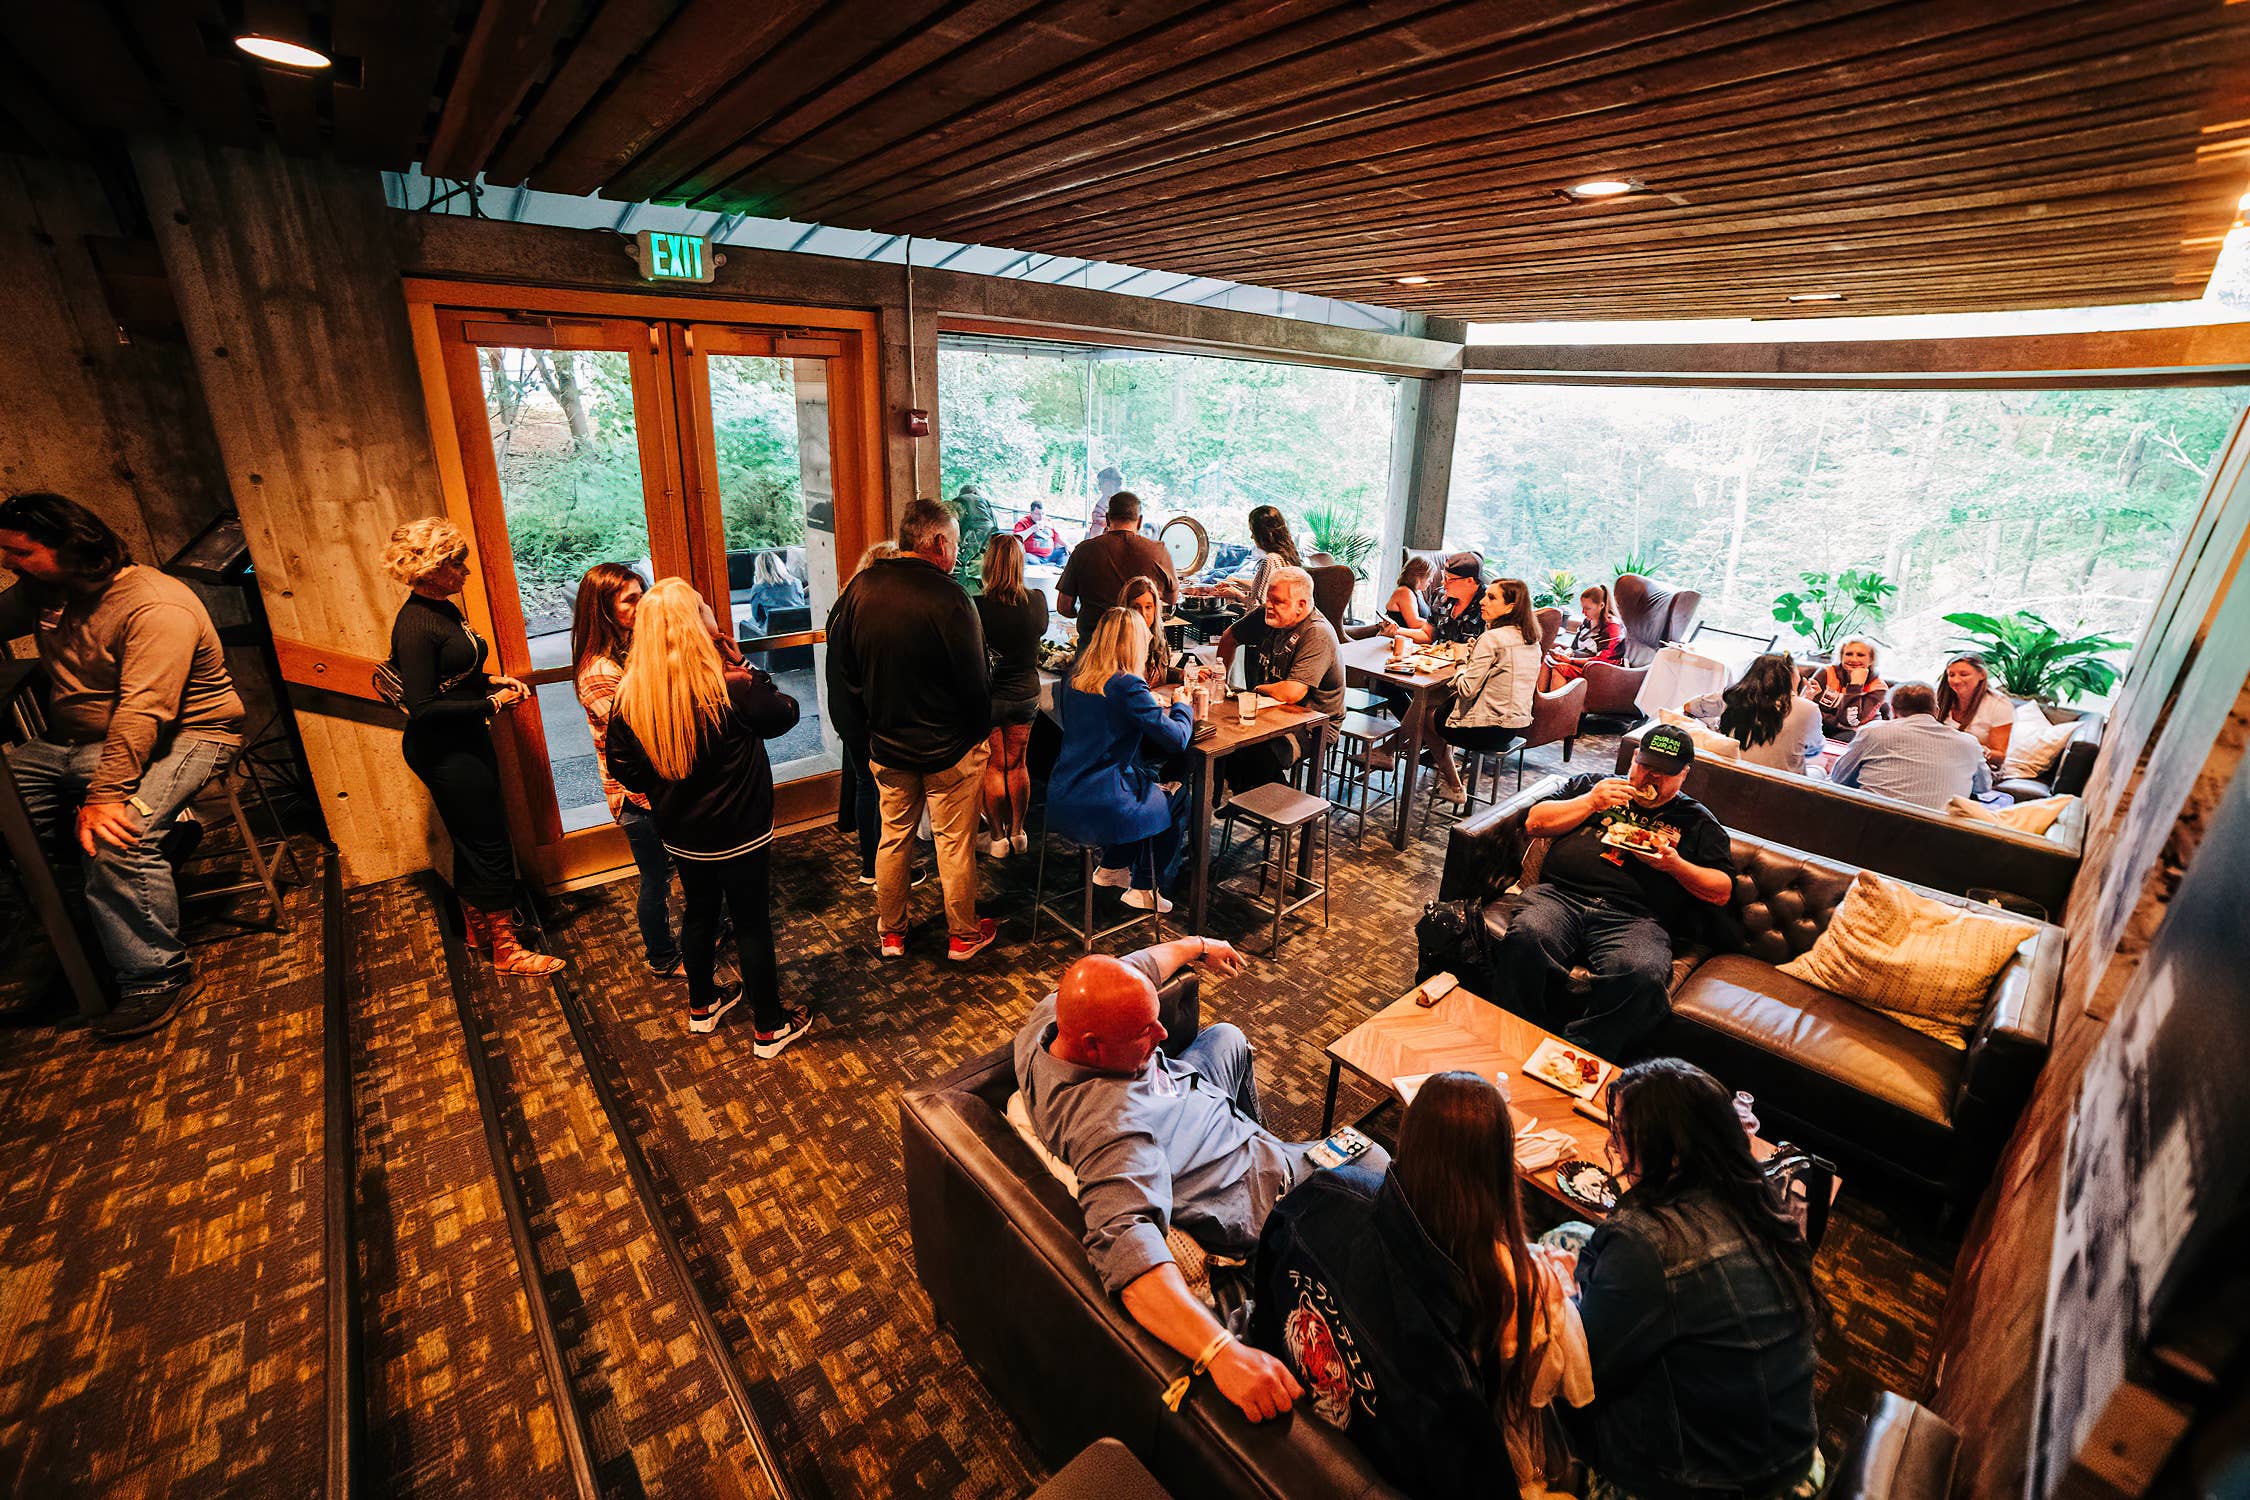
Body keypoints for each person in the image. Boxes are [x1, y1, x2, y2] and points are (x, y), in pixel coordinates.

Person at [1014, 938, 1384, 1424]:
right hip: (1264, 1189)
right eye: (1144, 1032)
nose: (1162, 1034)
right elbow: (1126, 1249)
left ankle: (1260, 1132)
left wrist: (1199, 947)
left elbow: (1140, 966)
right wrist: (1221, 1353)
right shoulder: (1115, 1133)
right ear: (1093, 1047)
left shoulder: (1047, 1023)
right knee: (1372, 1157)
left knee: (1227, 1037)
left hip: (1185, 1100)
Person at [1251, 1072, 1593, 1498]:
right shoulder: (1450, 1364)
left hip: (1292, 1410)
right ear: (1499, 1173)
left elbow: (1262, 1314)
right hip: (1373, 1467)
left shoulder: (1320, 1195)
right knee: (1580, 1237)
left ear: (1405, 1136)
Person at [0, 492, 246, 1035]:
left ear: (71, 548)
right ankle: (101, 918)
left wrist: (106, 796)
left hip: (187, 732)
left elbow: (144, 712)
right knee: (11, 822)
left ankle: (156, 976)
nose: (8, 562)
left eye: (20, 552)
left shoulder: (155, 606)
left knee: (115, 837)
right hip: (71, 740)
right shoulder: (46, 588)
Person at [1570, 1059, 1822, 1500]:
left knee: (1538, 1372)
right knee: (1574, 1238)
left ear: (1666, 1149)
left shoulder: (1645, 1242)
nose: (1615, 1146)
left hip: (1703, 1481)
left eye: (1623, 1136)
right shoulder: (1756, 1196)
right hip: (1792, 1451)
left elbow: (1585, 1369)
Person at [603, 580, 809, 1049]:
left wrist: (667, 783)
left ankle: (702, 1005)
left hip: (680, 832)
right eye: (705, 607)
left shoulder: (631, 697)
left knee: (698, 913)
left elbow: (626, 771)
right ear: (696, 623)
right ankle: (770, 1026)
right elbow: (786, 714)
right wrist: (742, 664)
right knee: (752, 921)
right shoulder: (730, 685)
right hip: (741, 831)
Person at [382, 517, 563, 977]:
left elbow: (450, 675)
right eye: (456, 563)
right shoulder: (416, 624)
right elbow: (421, 705)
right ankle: (507, 949)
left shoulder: (441, 608)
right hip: (444, 750)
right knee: (488, 844)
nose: (466, 571)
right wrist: (492, 702)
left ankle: (478, 927)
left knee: (473, 842)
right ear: (431, 568)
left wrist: (490, 679)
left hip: (462, 742)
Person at [1494, 726, 1735, 1058]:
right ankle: (1518, 1032)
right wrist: (1591, 802)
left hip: (1635, 919)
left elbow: (1722, 890)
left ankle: (1577, 1054)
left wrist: (1674, 865)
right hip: (1561, 897)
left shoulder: (1696, 821)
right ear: (1635, 758)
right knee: (1527, 936)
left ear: (1684, 776)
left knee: (1642, 973)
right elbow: (1534, 822)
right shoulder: (1596, 786)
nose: (1652, 777)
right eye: (1646, 766)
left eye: (1666, 773)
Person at [826, 498, 997, 963]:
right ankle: (962, 935)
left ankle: (892, 932)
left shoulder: (859, 590)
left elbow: (844, 675)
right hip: (951, 750)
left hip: (887, 746)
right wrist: (977, 736)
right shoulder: (950, 596)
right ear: (939, 542)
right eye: (957, 544)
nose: (958, 554)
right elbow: (976, 682)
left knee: (893, 838)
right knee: (953, 845)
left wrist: (866, 737)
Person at [571, 562, 688, 977]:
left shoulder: (629, 648)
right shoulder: (599, 672)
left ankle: (706, 932)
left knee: (678, 870)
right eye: (630, 600)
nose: (642, 605)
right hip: (635, 796)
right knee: (656, 880)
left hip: (656, 787)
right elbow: (639, 729)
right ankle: (661, 956)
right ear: (603, 609)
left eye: (643, 594)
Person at [1049, 608, 1195, 911]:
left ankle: (1113, 866)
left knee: (1147, 781)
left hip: (1064, 792)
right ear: (1136, 643)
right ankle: (1144, 886)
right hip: (1102, 801)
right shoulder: (1127, 684)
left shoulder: (1075, 674)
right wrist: (1183, 706)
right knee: (1177, 793)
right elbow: (1177, 739)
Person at [830, 541, 923, 892]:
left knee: (864, 786)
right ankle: (882, 866)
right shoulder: (874, 612)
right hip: (870, 717)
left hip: (846, 713)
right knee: (882, 792)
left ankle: (869, 862)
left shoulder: (844, 604)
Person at [1217, 566, 1345, 794]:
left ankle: (1273, 803)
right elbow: (1229, 638)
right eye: (1268, 599)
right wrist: (1220, 680)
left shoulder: (1317, 633)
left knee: (1252, 753)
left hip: (1313, 725)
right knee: (1218, 741)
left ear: (1301, 605)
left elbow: (1292, 693)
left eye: (1279, 602)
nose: (1269, 607)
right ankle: (1249, 795)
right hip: (1268, 714)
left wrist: (1255, 690)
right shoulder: (1266, 615)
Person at [1429, 578, 1543, 808]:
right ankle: (1392, 750)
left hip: (1485, 729)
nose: (1482, 601)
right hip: (1512, 727)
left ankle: (1452, 784)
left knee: (1424, 714)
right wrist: (1475, 654)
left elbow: (1467, 689)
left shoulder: (1492, 638)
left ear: (1511, 606)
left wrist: (1461, 660)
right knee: (1437, 706)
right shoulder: (1531, 640)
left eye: (1491, 597)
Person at [976, 533, 1047, 859]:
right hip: (1025, 695)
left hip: (990, 697)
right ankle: (1019, 833)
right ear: (1020, 563)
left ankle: (997, 837)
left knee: (994, 767)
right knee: (1018, 764)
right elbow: (1042, 632)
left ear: (989, 564)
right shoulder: (1036, 601)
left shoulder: (977, 607)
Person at [1825, 681, 1993, 810]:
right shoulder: (1969, 743)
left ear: (1892, 710)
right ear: (1936, 710)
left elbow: (1839, 778)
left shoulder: (1873, 732)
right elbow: (1983, 788)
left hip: (1871, 829)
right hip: (1940, 841)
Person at [1056, 490, 1176, 641]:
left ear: (1107, 518)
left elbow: (1063, 607)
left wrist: (1085, 614)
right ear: (1139, 521)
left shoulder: (1083, 551)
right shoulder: (1158, 551)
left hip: (1094, 646)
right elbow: (1172, 599)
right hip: (1140, 647)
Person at [1686, 652, 1824, 773]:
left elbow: (1689, 706)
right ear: (1792, 677)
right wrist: (1805, 702)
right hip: (1781, 786)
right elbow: (1814, 750)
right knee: (1819, 769)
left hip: (1730, 772)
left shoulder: (1732, 696)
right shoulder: (1809, 709)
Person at [1799, 636, 1888, 739]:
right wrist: (1835, 722)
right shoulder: (1826, 672)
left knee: (1848, 736)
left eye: (1860, 655)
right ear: (1841, 657)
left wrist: (1855, 686)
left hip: (1852, 734)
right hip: (1821, 725)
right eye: (1848, 654)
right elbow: (1806, 707)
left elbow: (1850, 721)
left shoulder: (1878, 687)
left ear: (1871, 659)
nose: (1854, 659)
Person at [1935, 653, 2014, 769]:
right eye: (1951, 675)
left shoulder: (1998, 703)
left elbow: (2000, 756)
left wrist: (1983, 751)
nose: (1956, 680)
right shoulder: (1939, 697)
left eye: (1964, 674)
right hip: (1940, 760)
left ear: (1981, 675)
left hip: (1979, 767)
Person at [1541, 584, 1627, 690]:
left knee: (1560, 668)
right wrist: (1565, 653)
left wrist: (1570, 660)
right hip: (1583, 661)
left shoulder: (1612, 627)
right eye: (1582, 608)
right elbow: (1574, 647)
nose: (1583, 612)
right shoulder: (1588, 621)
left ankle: (1554, 705)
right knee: (1547, 660)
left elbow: (1603, 660)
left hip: (1602, 670)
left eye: (1587, 608)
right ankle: (1539, 703)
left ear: (1602, 605)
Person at [1216, 505, 1303, 607]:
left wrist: (1236, 594)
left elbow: (1259, 607)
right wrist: (1236, 581)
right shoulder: (1287, 557)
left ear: (1262, 534)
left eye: (1253, 532)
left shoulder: (1271, 560)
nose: (1252, 537)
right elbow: (1265, 585)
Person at [1119, 573, 1177, 686]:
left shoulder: (1159, 635)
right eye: (1136, 607)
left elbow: (1161, 674)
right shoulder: (1119, 643)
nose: (1143, 614)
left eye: (1148, 607)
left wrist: (1185, 674)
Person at [1427, 553, 1489, 646]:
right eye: (1443, 576)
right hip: (1437, 657)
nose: (1443, 582)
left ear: (1469, 581)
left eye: (1448, 579)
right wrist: (1398, 631)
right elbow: (1428, 634)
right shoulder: (1440, 596)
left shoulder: (1490, 602)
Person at [742, 552, 807, 636]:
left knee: (749, 622)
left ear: (759, 569)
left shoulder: (758, 588)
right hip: (800, 629)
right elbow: (801, 605)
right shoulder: (796, 582)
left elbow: (757, 617)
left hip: (774, 633)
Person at [949, 483, 998, 591]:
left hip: (970, 533)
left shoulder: (958, 500)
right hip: (988, 534)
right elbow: (995, 524)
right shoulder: (985, 501)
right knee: (982, 564)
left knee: (965, 566)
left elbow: (953, 524)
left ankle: (964, 592)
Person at [1380, 556, 1437, 645]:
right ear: (1418, 577)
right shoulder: (1404, 592)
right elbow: (1414, 623)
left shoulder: (1417, 592)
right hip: (1396, 643)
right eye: (1430, 577)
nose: (1431, 581)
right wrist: (1437, 624)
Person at [1012, 500, 1067, 564]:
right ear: (1031, 513)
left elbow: (1057, 537)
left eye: (1042, 514)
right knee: (1025, 557)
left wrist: (1067, 546)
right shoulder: (1023, 522)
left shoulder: (1048, 521)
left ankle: (1061, 569)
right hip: (1034, 556)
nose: (1040, 517)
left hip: (1051, 555)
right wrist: (1031, 529)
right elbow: (1015, 539)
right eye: (1037, 514)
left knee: (1065, 551)